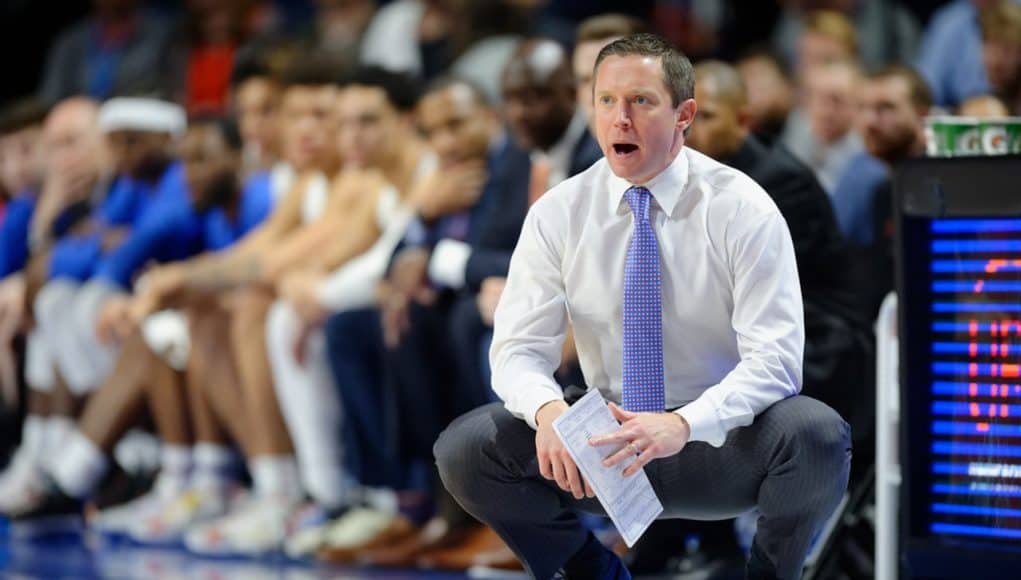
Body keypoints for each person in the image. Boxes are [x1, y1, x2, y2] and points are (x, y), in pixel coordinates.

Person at [435, 33, 851, 580]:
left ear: (685, 115)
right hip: (606, 442)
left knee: (816, 434)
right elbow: (514, 351)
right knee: (467, 449)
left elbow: (776, 361)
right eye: (606, 101)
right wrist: (550, 412)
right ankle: (593, 573)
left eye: (641, 101)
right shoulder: (559, 211)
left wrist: (682, 423)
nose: (620, 119)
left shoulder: (742, 206)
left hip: (718, 440)